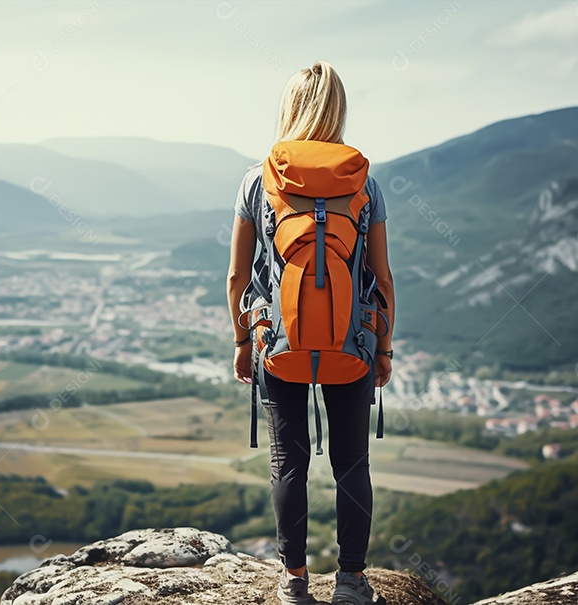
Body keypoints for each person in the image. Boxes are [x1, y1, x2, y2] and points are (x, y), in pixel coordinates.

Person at [226, 61, 395, 605]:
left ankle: (294, 582)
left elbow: (235, 275)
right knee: (352, 463)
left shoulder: (258, 179)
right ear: (338, 109)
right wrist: (384, 348)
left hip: (279, 345)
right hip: (353, 344)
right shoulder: (364, 181)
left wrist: (240, 342)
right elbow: (383, 276)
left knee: (288, 462)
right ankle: (350, 581)